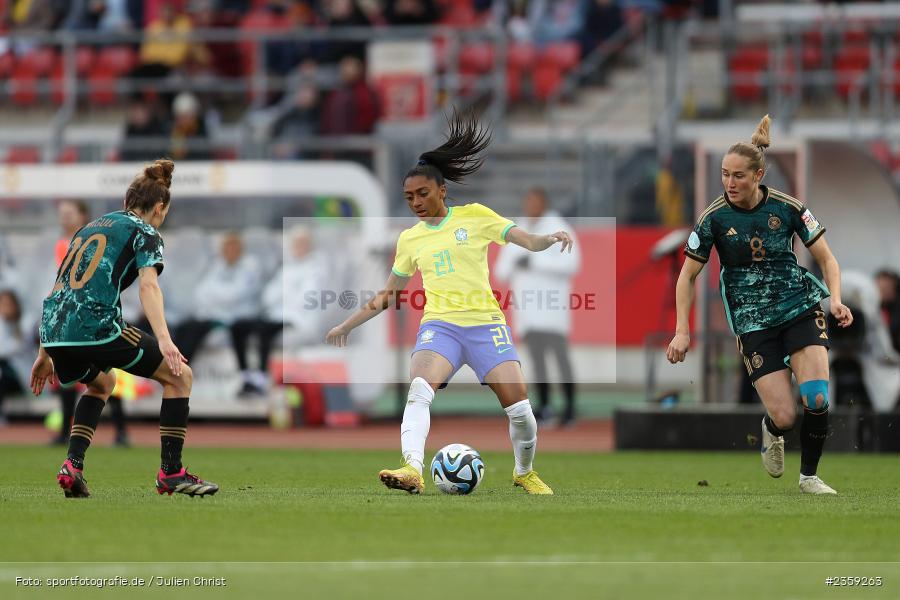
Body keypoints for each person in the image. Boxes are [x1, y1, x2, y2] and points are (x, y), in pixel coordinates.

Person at [325, 112, 573, 495]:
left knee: (520, 409)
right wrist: (347, 325)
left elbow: (525, 240)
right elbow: (388, 293)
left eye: (422, 194)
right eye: (409, 198)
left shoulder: (475, 216)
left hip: (486, 324)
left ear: (441, 190)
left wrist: (549, 238)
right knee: (419, 389)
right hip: (440, 326)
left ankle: (524, 472)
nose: (416, 203)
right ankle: (412, 469)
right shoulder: (409, 240)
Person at [665, 115, 853, 495]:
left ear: (758, 174)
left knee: (816, 397)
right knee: (784, 415)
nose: (729, 183)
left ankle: (809, 477)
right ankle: (772, 430)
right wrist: (682, 330)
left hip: (798, 305)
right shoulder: (713, 219)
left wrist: (835, 298)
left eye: (738, 175)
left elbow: (828, 259)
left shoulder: (790, 208)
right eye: (724, 174)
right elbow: (686, 277)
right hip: (752, 321)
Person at [30, 160, 218, 499]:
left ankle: (72, 465)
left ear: (127, 199)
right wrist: (164, 339)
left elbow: (57, 288)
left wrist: (44, 351)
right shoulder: (146, 232)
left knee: (103, 382)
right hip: (95, 325)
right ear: (159, 207)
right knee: (180, 377)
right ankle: (171, 472)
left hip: (56, 330)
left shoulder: (87, 228)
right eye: (164, 211)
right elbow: (149, 287)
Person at [494, 187, 581, 426]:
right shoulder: (517, 230)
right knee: (537, 362)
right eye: (528, 201)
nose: (531, 205)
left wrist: (534, 261)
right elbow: (501, 271)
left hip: (553, 310)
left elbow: (572, 263)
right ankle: (544, 408)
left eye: (536, 201)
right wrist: (517, 262)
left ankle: (571, 408)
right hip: (528, 311)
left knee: (561, 360)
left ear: (544, 203)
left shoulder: (559, 228)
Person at [0, 289, 31, 426]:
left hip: (19, 377)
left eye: (8, 304)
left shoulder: (25, 324)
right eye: (3, 304)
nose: (6, 307)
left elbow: (12, 349)